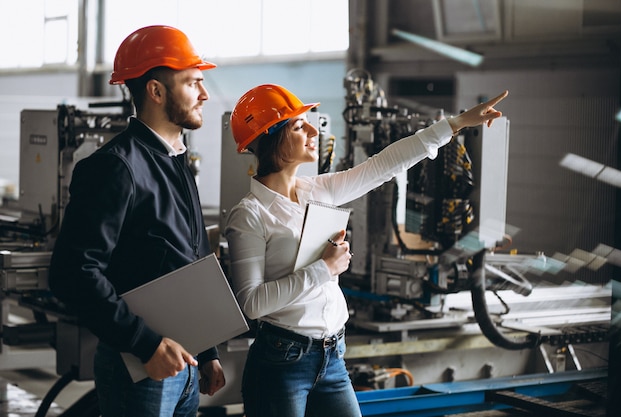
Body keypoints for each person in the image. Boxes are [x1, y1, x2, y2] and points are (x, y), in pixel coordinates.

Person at [224, 83, 509, 417]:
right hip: (282, 361)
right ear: (272, 139)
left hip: (332, 357)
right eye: (299, 126)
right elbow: (252, 303)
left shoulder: (318, 191)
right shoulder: (250, 215)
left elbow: (384, 164)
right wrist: (324, 269)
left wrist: (456, 123)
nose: (314, 129)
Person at [48, 25, 225, 416]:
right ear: (156, 92)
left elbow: (190, 260)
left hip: (186, 361)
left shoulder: (176, 160)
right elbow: (73, 272)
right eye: (193, 82)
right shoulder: (115, 167)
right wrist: (145, 343)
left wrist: (207, 347)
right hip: (143, 366)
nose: (205, 94)